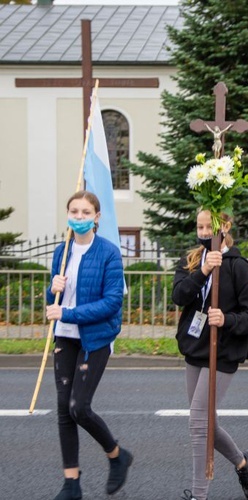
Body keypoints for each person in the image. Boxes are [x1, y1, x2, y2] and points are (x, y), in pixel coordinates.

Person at [172, 210, 248, 500]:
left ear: (225, 227)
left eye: (209, 227)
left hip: (223, 351)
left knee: (198, 423)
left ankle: (199, 495)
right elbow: (179, 297)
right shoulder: (192, 260)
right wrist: (203, 272)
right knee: (206, 421)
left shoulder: (237, 265)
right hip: (195, 348)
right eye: (199, 226)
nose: (203, 232)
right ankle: (242, 462)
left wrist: (227, 320)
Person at [46, 191, 132, 500]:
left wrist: (67, 313)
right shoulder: (62, 251)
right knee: (63, 410)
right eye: (74, 211)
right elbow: (54, 299)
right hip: (64, 337)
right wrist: (51, 289)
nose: (78, 217)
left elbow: (111, 302)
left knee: (78, 407)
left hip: (94, 338)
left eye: (85, 212)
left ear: (96, 217)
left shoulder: (108, 252)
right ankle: (72, 484)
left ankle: (117, 455)